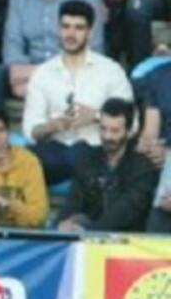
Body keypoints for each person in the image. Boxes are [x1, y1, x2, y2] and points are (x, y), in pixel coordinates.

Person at [23, 0, 133, 185]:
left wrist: (97, 116)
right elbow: (30, 129)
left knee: (85, 157)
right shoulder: (43, 73)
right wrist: (53, 125)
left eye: (78, 28)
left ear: (90, 32)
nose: (70, 34)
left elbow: (133, 122)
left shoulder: (110, 70)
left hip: (96, 149)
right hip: (54, 149)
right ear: (58, 29)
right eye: (65, 27)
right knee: (21, 161)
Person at [58, 98, 160, 232]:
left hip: (128, 242)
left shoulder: (144, 169)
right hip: (88, 238)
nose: (107, 136)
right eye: (103, 129)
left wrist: (92, 234)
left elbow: (125, 211)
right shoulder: (87, 160)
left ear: (129, 132)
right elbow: (73, 200)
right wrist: (64, 221)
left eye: (114, 131)